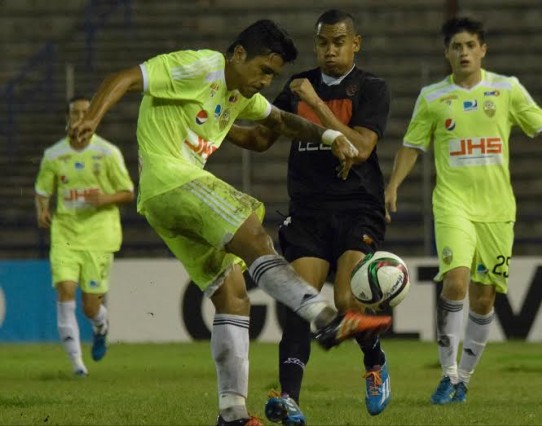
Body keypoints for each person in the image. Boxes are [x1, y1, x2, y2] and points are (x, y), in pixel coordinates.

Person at [71, 19, 391, 426]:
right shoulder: (201, 66)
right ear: (238, 54)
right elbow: (126, 77)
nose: (265, 80)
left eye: (273, 74)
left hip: (162, 202)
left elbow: (275, 125)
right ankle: (325, 321)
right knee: (253, 234)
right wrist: (93, 119)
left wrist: (330, 138)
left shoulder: (239, 92)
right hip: (174, 181)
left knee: (233, 296)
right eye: (263, 70)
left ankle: (232, 414)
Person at [384, 16, 542, 405]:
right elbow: (411, 146)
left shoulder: (507, 89)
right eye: (456, 46)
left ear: (483, 50)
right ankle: (446, 374)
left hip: (497, 209)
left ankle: (464, 378)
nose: (463, 52)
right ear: (446, 53)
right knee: (455, 284)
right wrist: (393, 185)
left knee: (483, 299)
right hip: (452, 204)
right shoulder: (431, 96)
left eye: (469, 45)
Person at [227, 9, 391, 424]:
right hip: (309, 212)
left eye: (338, 42)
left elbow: (361, 149)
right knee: (299, 301)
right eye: (322, 43)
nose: (330, 51)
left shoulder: (371, 87)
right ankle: (290, 399)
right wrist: (218, 128)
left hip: (358, 207)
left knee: (346, 299)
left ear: (356, 43)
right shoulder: (294, 85)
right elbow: (262, 139)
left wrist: (316, 102)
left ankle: (374, 360)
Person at [35, 96, 135, 377]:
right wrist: (42, 210)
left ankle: (100, 327)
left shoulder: (108, 153)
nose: (80, 117)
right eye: (75, 113)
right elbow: (43, 190)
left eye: (85, 112)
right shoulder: (54, 155)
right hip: (65, 234)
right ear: (68, 117)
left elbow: (128, 192)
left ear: (94, 117)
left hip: (99, 235)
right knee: (65, 291)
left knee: (91, 306)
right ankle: (77, 364)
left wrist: (104, 198)